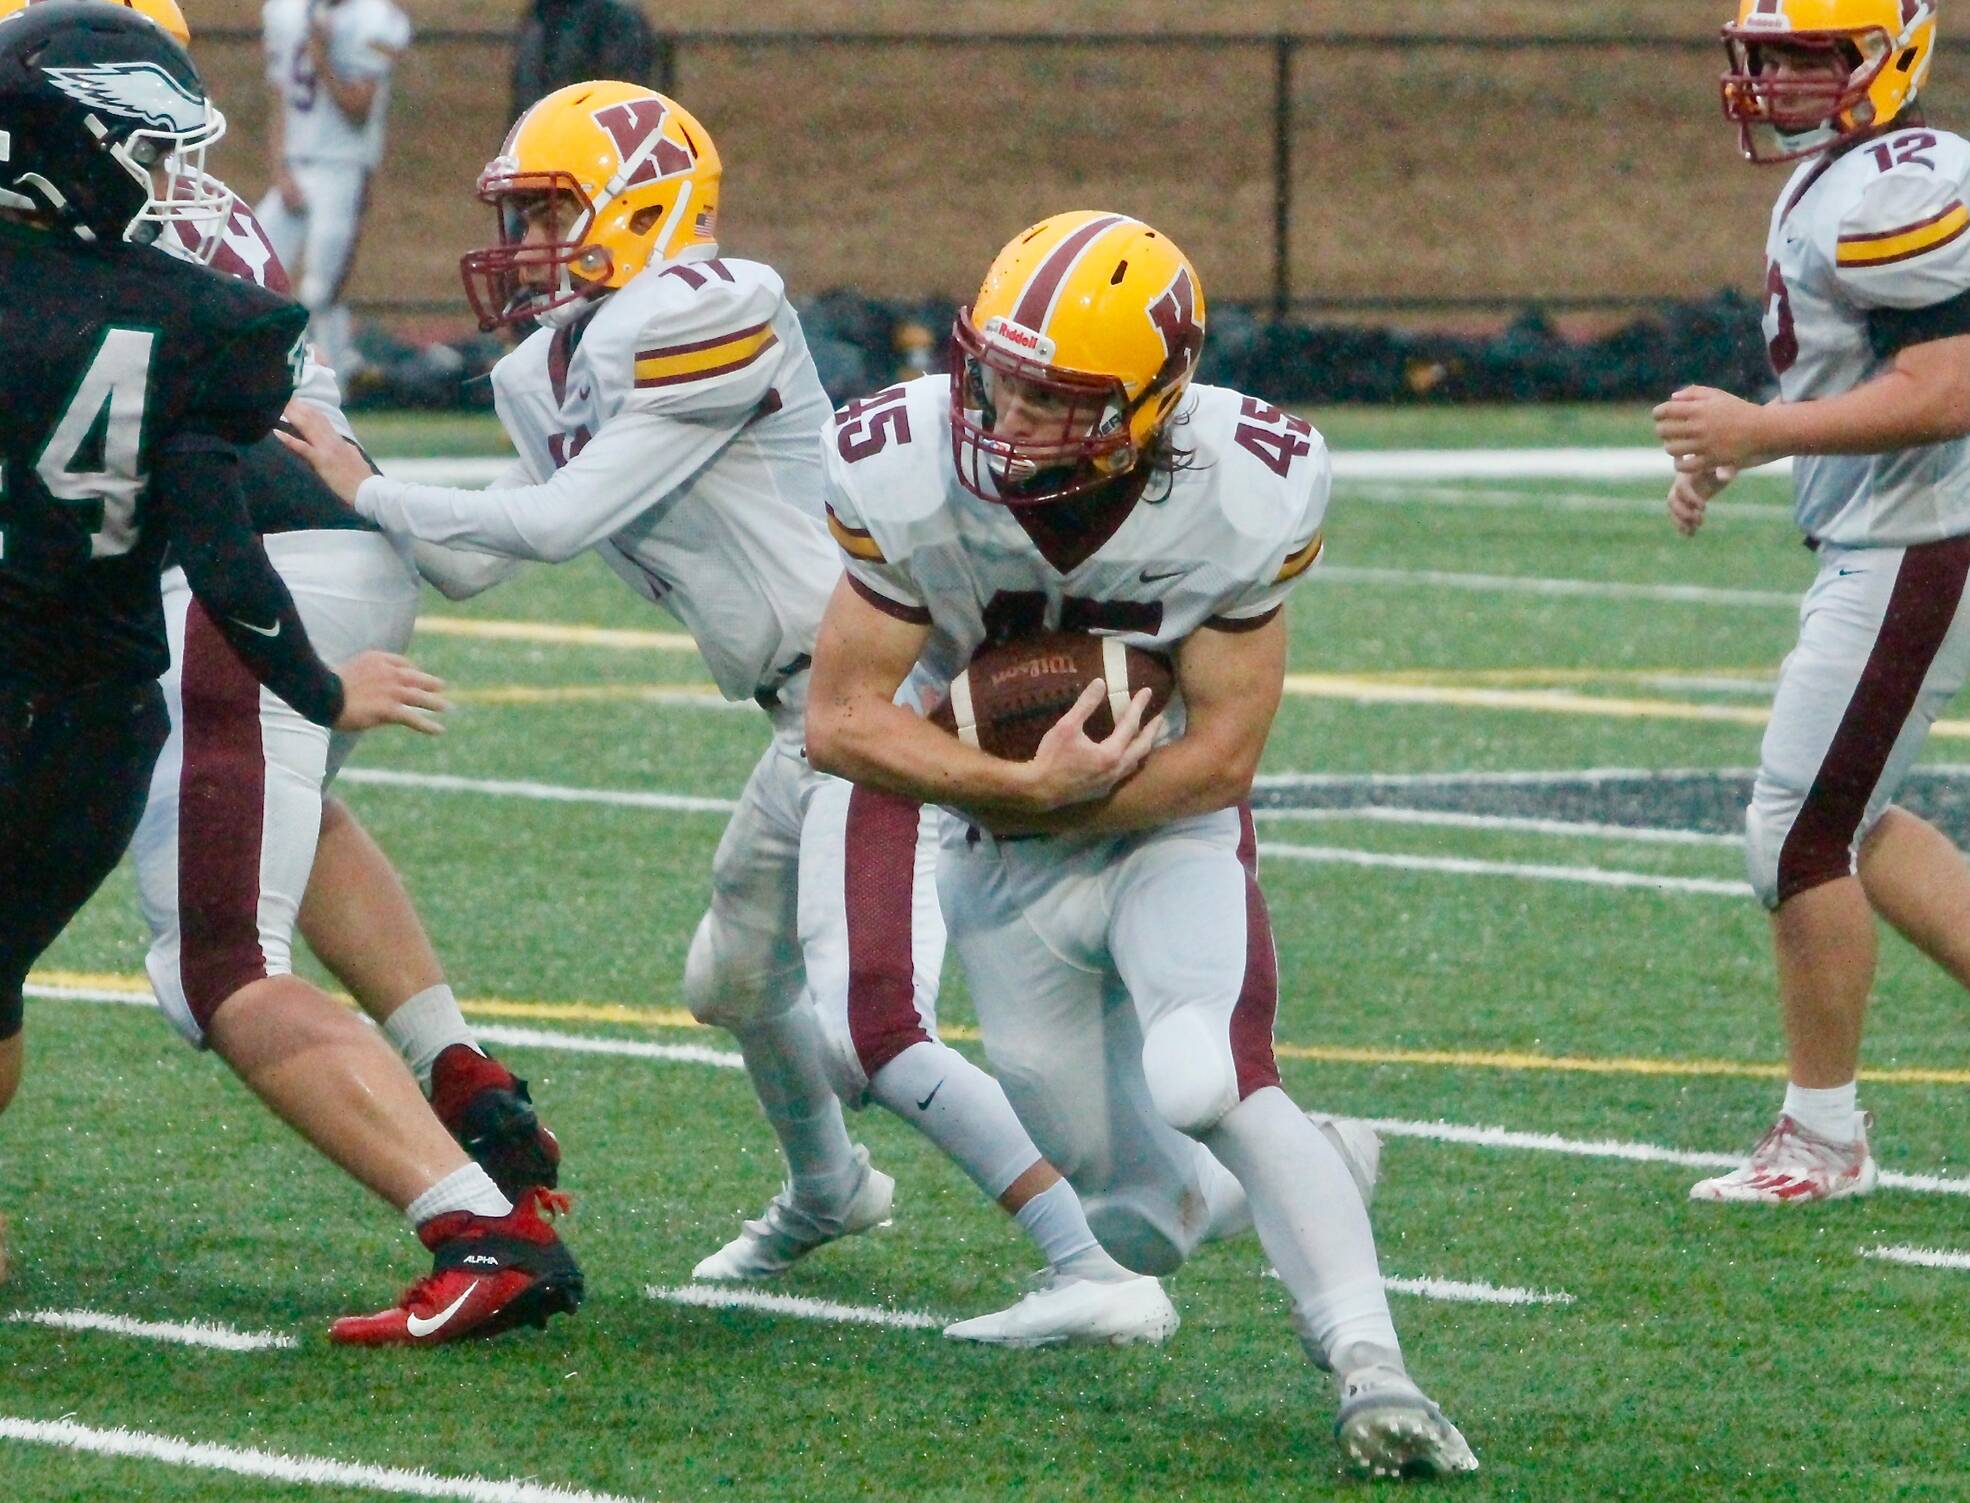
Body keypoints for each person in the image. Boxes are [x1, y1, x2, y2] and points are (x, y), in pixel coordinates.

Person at [282, 83, 1229, 1346]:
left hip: (879, 704)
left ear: (644, 201)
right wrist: (361, 494)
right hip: (799, 721)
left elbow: (557, 525)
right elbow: (475, 557)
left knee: (869, 1027)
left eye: (551, 210)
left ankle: (1096, 1268)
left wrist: (368, 486)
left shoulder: (707, 307)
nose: (524, 244)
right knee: (730, 983)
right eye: (519, 215)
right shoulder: (551, 366)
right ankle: (830, 1189)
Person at [802, 210, 1476, 1479]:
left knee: (1204, 1077)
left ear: (1151, 404)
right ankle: (1319, 1166)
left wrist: (1062, 798)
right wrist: (1007, 789)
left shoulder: (1243, 482)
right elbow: (836, 722)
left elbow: (1220, 757)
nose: (1004, 415)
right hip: (999, 853)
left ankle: (1372, 1368)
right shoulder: (903, 464)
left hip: (1165, 823)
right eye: (993, 375)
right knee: (1137, 1215)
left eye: (1053, 401)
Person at [0, 5, 578, 1350]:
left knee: (213, 955)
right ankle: (458, 1068)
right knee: (255, 816)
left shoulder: (76, 249)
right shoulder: (205, 246)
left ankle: (477, 1223)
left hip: (243, 571)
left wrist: (313, 680)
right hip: (296, 548)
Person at [1656, 0, 1970, 1201]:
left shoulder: (1909, 175)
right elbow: (1857, 371)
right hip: (1890, 541)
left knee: (1793, 831)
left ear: (1886, 59)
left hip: (1921, 543)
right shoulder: (1845, 173)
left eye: (1807, 56)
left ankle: (1821, 1136)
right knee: (1847, 815)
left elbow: (1936, 390)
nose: (1771, 80)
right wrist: (1745, 448)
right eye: (1761, 55)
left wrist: (1760, 431)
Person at [256, 0, 410, 392]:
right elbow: (280, 97)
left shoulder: (375, 18)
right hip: (295, 163)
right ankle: (268, 378)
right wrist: (280, 168)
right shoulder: (284, 11)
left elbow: (358, 108)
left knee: (320, 289)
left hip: (342, 165)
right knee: (250, 269)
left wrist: (323, 56)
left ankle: (330, 385)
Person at [509, 0, 658, 127]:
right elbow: (524, 93)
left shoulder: (616, 16)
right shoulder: (539, 14)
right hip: (540, 139)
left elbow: (622, 96)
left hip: (586, 141)